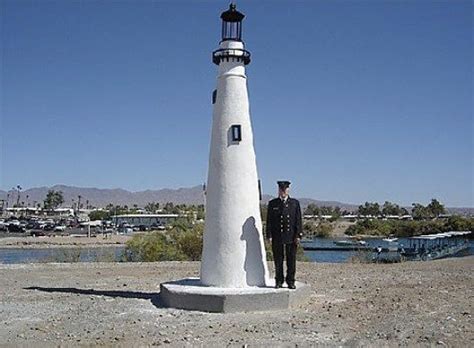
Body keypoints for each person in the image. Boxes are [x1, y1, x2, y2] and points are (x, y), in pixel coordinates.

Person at [265, 181, 303, 289]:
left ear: (288, 190)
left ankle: (290, 281)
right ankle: (279, 281)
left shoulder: (294, 203)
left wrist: (298, 235)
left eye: (285, 189)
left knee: (291, 260)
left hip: (291, 236)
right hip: (277, 236)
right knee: (278, 260)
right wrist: (269, 235)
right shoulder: (273, 203)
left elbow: (298, 220)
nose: (283, 191)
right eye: (281, 189)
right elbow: (269, 221)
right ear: (278, 190)